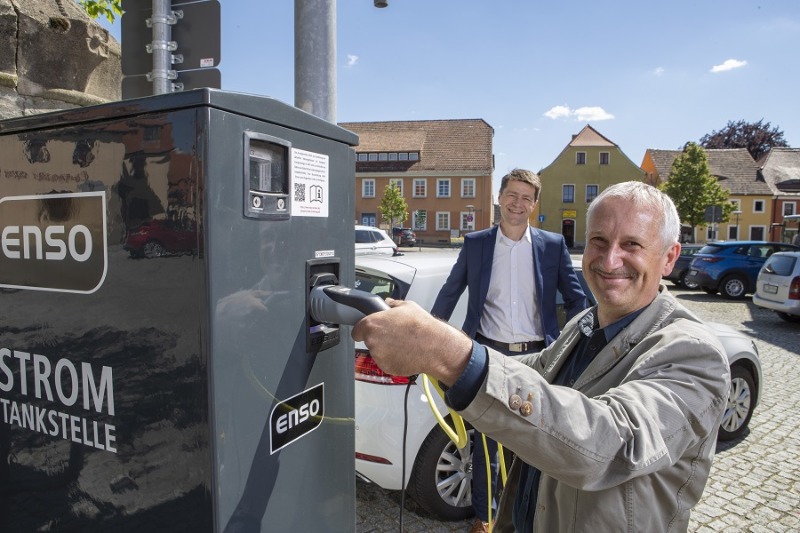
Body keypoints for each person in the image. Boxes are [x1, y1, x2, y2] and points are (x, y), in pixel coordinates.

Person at [352, 181, 730, 532]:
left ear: (669, 258)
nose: (610, 259)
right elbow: (537, 370)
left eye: (632, 244)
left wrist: (449, 353)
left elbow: (611, 442)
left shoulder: (694, 353)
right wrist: (435, 345)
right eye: (598, 240)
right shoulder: (586, 321)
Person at [430, 168, 587, 532]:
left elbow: (577, 300)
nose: (518, 204)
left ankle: (525, 516)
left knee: (533, 441)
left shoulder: (552, 245)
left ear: (534, 204)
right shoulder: (477, 244)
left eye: (526, 198)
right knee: (487, 445)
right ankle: (486, 519)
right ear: (500, 198)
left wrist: (575, 343)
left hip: (538, 357)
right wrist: (427, 333)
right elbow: (449, 293)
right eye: (512, 195)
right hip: (489, 356)